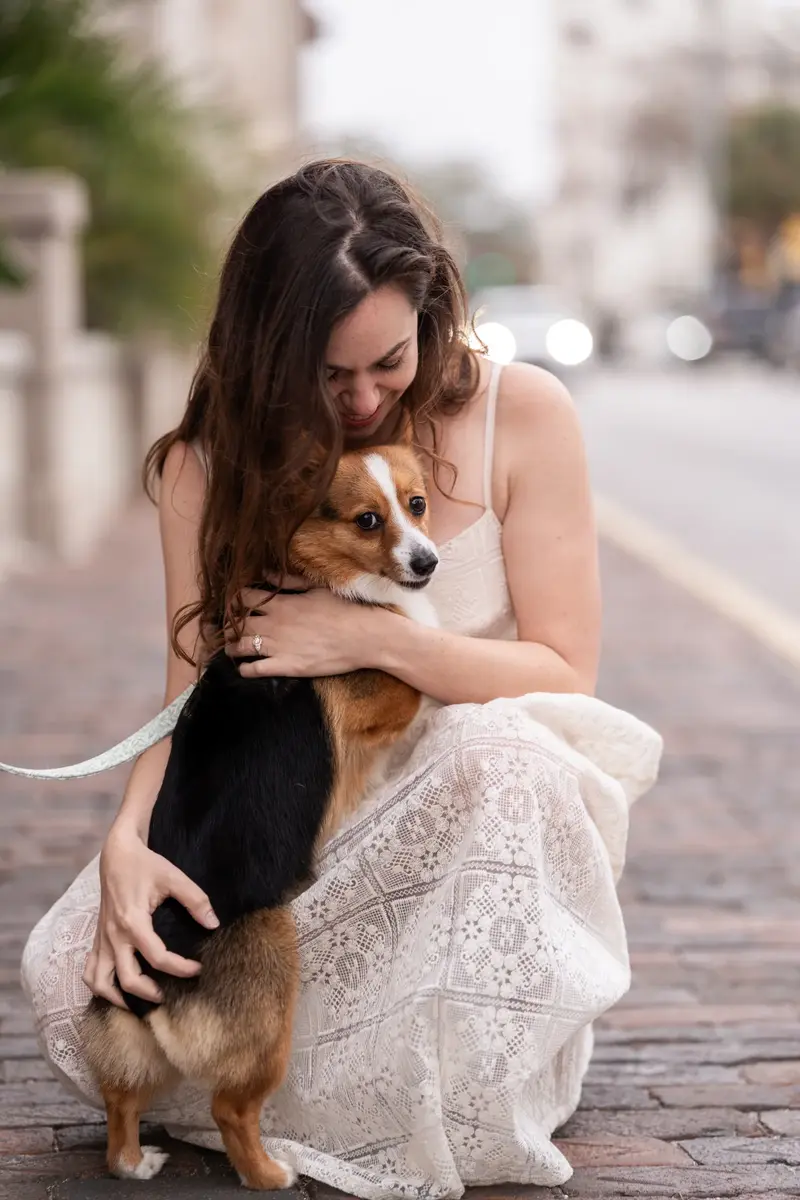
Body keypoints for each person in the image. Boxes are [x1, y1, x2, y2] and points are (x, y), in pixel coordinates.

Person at [21, 159, 661, 1197]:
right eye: (329, 374)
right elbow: (189, 684)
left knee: (504, 752)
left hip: (470, 808)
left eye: (389, 362)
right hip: (298, 823)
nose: (364, 399)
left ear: (431, 314)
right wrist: (125, 844)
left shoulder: (522, 413)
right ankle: (289, 1057)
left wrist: (371, 642)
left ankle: (429, 1052)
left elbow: (562, 671)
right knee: (72, 980)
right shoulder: (203, 462)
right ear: (267, 351)